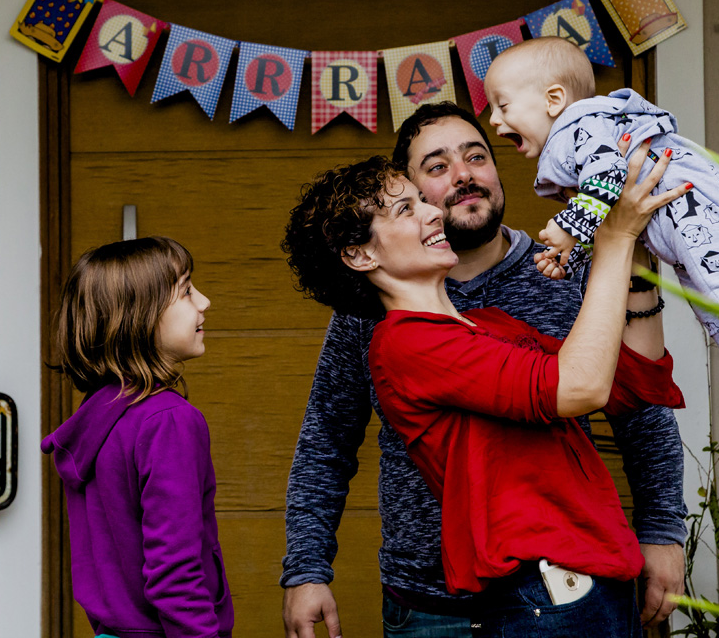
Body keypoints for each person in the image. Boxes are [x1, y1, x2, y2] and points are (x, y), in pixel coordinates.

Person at [281, 102, 689, 638]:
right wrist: (306, 566)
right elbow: (325, 441)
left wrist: (633, 259)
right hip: (448, 593)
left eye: (477, 156)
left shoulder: (509, 309)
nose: (463, 176)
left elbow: (637, 390)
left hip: (581, 578)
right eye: (434, 170)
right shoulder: (392, 334)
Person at [483, 36, 719, 427]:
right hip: (668, 217)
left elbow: (609, 176)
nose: (494, 119)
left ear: (553, 99)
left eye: (503, 106)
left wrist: (567, 227)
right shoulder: (570, 141)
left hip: (689, 201)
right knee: (707, 302)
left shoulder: (576, 128)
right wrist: (572, 251)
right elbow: (605, 212)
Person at [41, 237, 233, 638]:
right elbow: (174, 574)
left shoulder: (100, 416)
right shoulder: (169, 421)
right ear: (139, 317)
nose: (204, 302)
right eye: (185, 291)